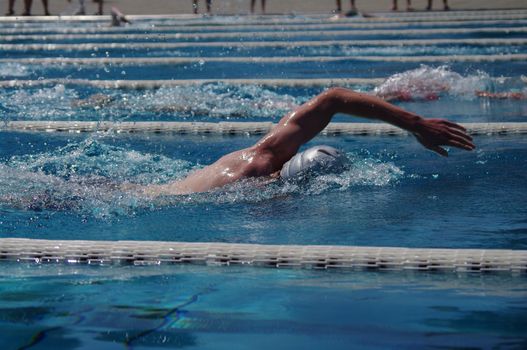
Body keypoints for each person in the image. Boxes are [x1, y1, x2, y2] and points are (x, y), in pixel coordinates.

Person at [133, 87, 475, 197]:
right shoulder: (258, 169)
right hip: (130, 194)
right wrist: (415, 122)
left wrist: (415, 125)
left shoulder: (273, 152)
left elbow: (333, 99)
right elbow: (333, 98)